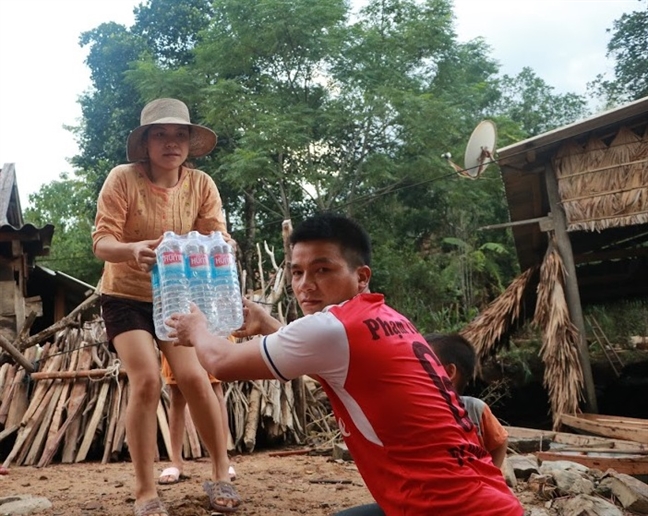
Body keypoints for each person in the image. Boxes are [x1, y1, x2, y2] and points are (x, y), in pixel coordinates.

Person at [166, 212, 524, 516]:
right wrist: (266, 322)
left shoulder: (330, 328)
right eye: (297, 273)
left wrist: (197, 329)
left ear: (361, 277)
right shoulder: (391, 319)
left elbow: (221, 362)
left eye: (322, 270)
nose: (305, 285)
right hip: (489, 502)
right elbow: (324, 357)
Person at [92, 98, 240, 516]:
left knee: (195, 377)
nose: (171, 142)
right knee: (146, 382)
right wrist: (132, 249)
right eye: (160, 133)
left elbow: (215, 236)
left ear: (190, 143)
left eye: (180, 135)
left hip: (179, 294)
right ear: (145, 142)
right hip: (125, 295)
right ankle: (145, 491)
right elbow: (102, 241)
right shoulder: (122, 179)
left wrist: (222, 246)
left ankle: (220, 470)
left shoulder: (202, 185)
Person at [425, 333, 509, 468]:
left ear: (449, 372)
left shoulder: (475, 409)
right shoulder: (416, 410)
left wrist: (493, 473)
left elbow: (500, 442)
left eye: (421, 364)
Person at [158, 354, 237, 484]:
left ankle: (222, 461)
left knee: (215, 386)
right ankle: (176, 462)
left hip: (210, 334)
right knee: (177, 391)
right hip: (175, 335)